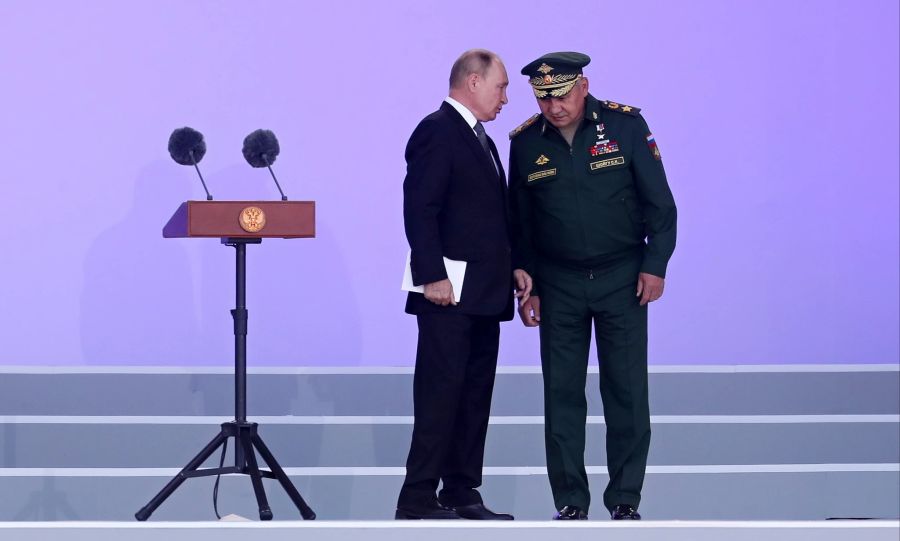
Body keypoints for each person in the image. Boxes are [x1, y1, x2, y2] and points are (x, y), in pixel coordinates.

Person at [507, 52, 677, 521]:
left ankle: (625, 498)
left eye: (561, 94)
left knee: (625, 390)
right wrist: (529, 282)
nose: (554, 106)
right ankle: (570, 502)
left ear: (583, 86)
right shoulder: (523, 142)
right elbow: (519, 224)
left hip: (622, 277)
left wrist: (655, 264)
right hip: (557, 283)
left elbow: (660, 205)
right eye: (543, 98)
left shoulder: (625, 126)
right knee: (561, 394)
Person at [396, 49, 531, 521]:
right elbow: (421, 208)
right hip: (446, 293)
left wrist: (513, 264)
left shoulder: (482, 139)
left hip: (483, 294)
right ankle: (416, 498)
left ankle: (460, 492)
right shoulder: (437, 129)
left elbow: (488, 216)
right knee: (439, 395)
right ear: (473, 82)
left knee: (474, 396)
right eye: (502, 87)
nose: (506, 98)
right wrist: (431, 274)